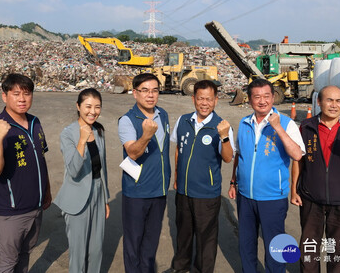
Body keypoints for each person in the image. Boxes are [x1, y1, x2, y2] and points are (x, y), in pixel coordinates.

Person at [228, 78, 305, 273]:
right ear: (250, 99)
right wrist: (233, 182)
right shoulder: (245, 123)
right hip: (245, 196)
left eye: (266, 96)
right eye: (257, 97)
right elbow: (239, 155)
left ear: (273, 97)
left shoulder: (287, 124)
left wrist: (278, 127)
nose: (262, 101)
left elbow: (297, 155)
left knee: (275, 245)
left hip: (272, 197)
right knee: (246, 242)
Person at [291, 85, 340, 272]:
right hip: (311, 199)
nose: (334, 105)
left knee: (339, 254)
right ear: (319, 102)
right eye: (329, 100)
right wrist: (294, 189)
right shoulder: (307, 127)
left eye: (338, 101)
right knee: (309, 250)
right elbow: (298, 160)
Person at [0, 73, 52, 273]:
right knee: (6, 263)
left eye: (27, 94)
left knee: (25, 255)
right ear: (4, 96)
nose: (22, 99)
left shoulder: (35, 122)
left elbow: (41, 159)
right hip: (10, 212)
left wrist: (46, 190)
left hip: (35, 207)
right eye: (16, 93)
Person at [170, 80, 235, 273]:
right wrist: (176, 175)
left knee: (206, 238)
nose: (204, 103)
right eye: (200, 99)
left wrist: (223, 137)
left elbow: (228, 157)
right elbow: (178, 150)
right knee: (183, 234)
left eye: (208, 99)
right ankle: (180, 268)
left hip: (206, 194)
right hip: (183, 190)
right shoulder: (183, 121)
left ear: (215, 101)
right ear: (193, 99)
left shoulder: (221, 126)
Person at [118, 73, 171, 273]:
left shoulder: (163, 114)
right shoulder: (128, 120)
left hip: (159, 190)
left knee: (151, 244)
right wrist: (146, 136)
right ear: (135, 93)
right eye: (145, 90)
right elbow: (132, 152)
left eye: (154, 90)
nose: (150, 95)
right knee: (133, 244)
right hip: (137, 192)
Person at [55, 88, 110, 273]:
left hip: (97, 193)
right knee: (78, 253)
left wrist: (105, 198)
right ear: (78, 106)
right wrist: (82, 141)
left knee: (96, 250)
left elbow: (103, 168)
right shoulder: (68, 133)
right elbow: (73, 169)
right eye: (88, 106)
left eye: (97, 107)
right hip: (77, 195)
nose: (92, 111)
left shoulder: (99, 131)